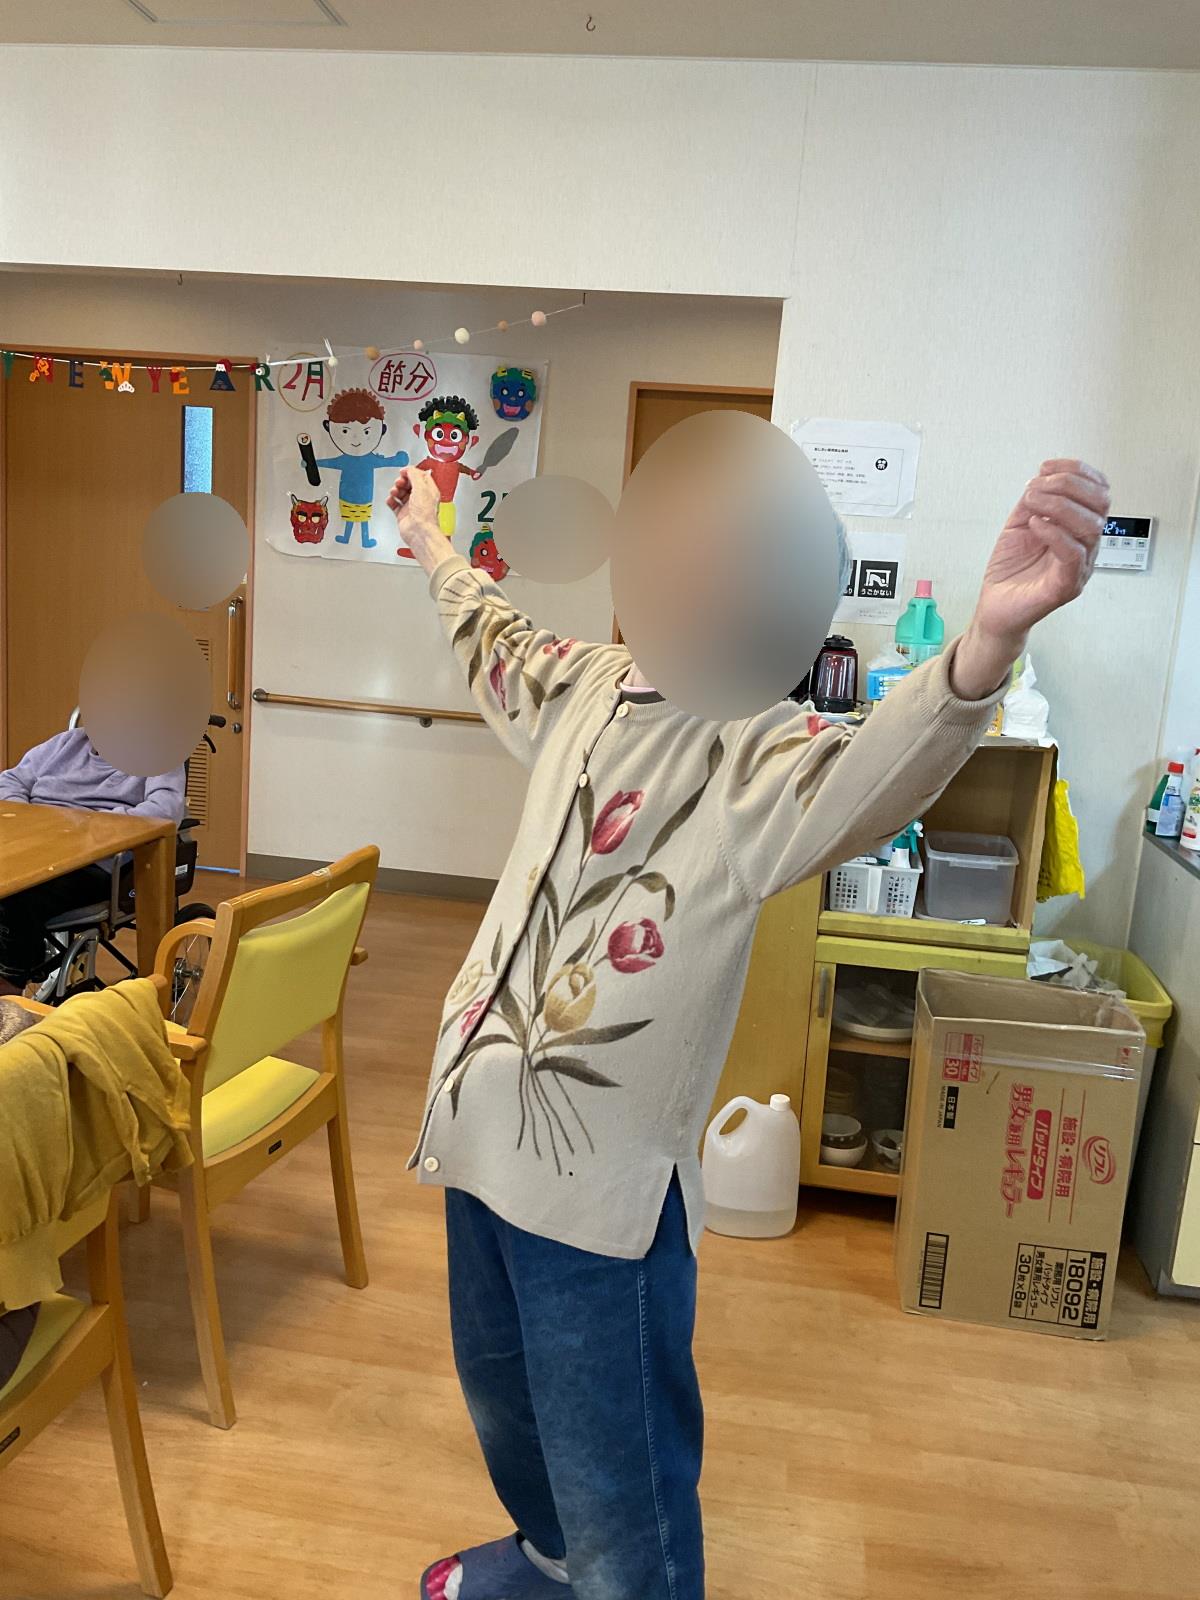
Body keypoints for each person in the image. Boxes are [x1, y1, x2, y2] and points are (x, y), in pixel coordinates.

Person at [388, 457, 1108, 1600]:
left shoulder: (751, 749)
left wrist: (984, 647)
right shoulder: (583, 681)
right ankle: (547, 1563)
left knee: (618, 1472)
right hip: (475, 1147)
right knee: (505, 1404)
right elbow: (490, 628)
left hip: (597, 1199)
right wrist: (429, 533)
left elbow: (872, 772)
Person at [0, 728, 185, 996]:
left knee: (16, 893)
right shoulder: (67, 742)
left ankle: (10, 984)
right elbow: (11, 779)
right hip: (34, 845)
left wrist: (94, 827)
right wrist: (29, 818)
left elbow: (166, 810)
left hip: (96, 861)